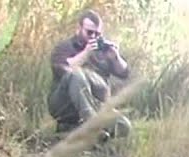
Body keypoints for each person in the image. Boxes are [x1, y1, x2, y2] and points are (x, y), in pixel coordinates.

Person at [48, 9, 132, 140]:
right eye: (89, 32)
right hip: (65, 103)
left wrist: (115, 57)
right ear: (79, 29)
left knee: (124, 126)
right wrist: (86, 52)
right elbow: (64, 69)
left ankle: (76, 133)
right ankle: (92, 126)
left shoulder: (102, 51)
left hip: (96, 103)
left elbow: (124, 73)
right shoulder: (64, 47)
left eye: (97, 34)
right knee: (77, 74)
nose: (93, 37)